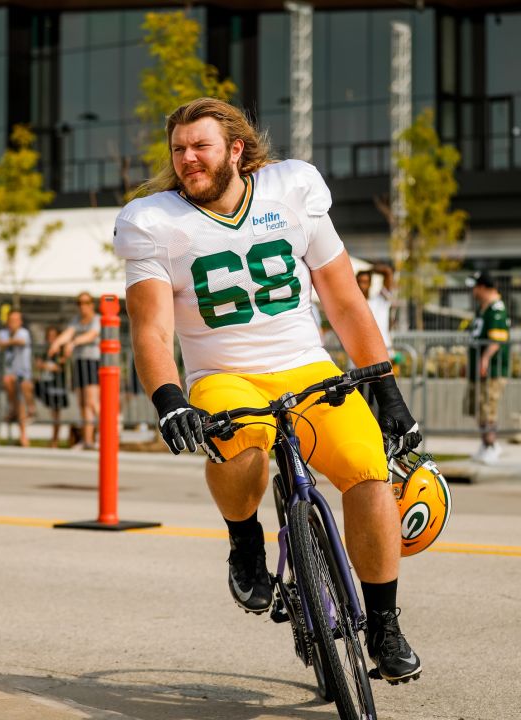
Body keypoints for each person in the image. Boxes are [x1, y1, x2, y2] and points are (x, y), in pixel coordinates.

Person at [114, 97, 424, 683]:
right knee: (243, 438)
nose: (187, 159)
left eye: (200, 146)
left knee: (367, 469)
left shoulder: (293, 188)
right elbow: (151, 329)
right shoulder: (151, 222)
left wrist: (387, 390)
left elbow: (343, 299)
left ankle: (384, 622)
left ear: (236, 148)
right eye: (179, 149)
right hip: (223, 375)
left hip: (308, 366)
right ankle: (245, 541)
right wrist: (168, 399)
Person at [465, 271, 510, 465]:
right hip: (478, 371)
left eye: (475, 287)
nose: (473, 291)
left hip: (492, 371)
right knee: (479, 409)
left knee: (488, 409)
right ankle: (485, 445)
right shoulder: (483, 309)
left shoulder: (496, 309)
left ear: (483, 287)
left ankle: (492, 446)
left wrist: (484, 359)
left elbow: (497, 339)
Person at [49, 292, 101, 450]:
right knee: (82, 404)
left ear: (92, 304)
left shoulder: (97, 319)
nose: (82, 306)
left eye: (86, 302)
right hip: (79, 363)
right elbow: (67, 333)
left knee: (92, 403)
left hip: (92, 362)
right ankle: (87, 441)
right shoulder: (76, 320)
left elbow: (91, 336)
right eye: (79, 303)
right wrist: (56, 344)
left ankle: (109, 436)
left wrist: (73, 343)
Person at [0, 308, 35, 447]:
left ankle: (27, 410)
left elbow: (20, 341)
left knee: (22, 396)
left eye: (15, 320)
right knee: (17, 401)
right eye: (11, 320)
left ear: (20, 322)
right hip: (11, 375)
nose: (13, 323)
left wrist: (3, 343)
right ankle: (23, 434)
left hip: (23, 374)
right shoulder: (3, 333)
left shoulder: (23, 332)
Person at [356, 263, 396, 411]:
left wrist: (370, 269)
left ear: (370, 283)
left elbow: (388, 271)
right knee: (362, 405)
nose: (362, 285)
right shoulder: (353, 305)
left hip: (381, 359)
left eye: (365, 282)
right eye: (359, 282)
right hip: (359, 362)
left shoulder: (380, 301)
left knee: (383, 404)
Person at [34, 325, 71, 447]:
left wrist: (45, 366)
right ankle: (32, 412)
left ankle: (55, 440)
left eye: (53, 337)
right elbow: (38, 364)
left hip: (57, 386)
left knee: (56, 414)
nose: (51, 339)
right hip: (46, 384)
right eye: (49, 336)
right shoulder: (45, 350)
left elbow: (58, 366)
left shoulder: (61, 350)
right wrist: (44, 366)